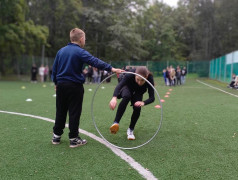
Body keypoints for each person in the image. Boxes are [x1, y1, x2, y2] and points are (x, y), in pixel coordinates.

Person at [51, 28, 123, 148]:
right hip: (74, 86)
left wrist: (56, 83)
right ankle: (74, 139)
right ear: (81, 39)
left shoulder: (61, 51)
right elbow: (95, 61)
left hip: (61, 85)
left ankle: (56, 136)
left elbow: (55, 69)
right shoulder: (80, 52)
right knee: (74, 111)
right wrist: (112, 69)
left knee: (60, 110)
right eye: (85, 38)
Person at [109, 67, 155, 140]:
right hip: (127, 87)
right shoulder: (130, 74)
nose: (139, 82)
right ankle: (116, 123)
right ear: (135, 75)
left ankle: (130, 130)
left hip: (138, 92)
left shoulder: (150, 79)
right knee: (126, 96)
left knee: (137, 107)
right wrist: (114, 97)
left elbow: (152, 98)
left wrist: (143, 102)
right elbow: (119, 86)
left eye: (142, 80)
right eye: (137, 79)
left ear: (146, 77)